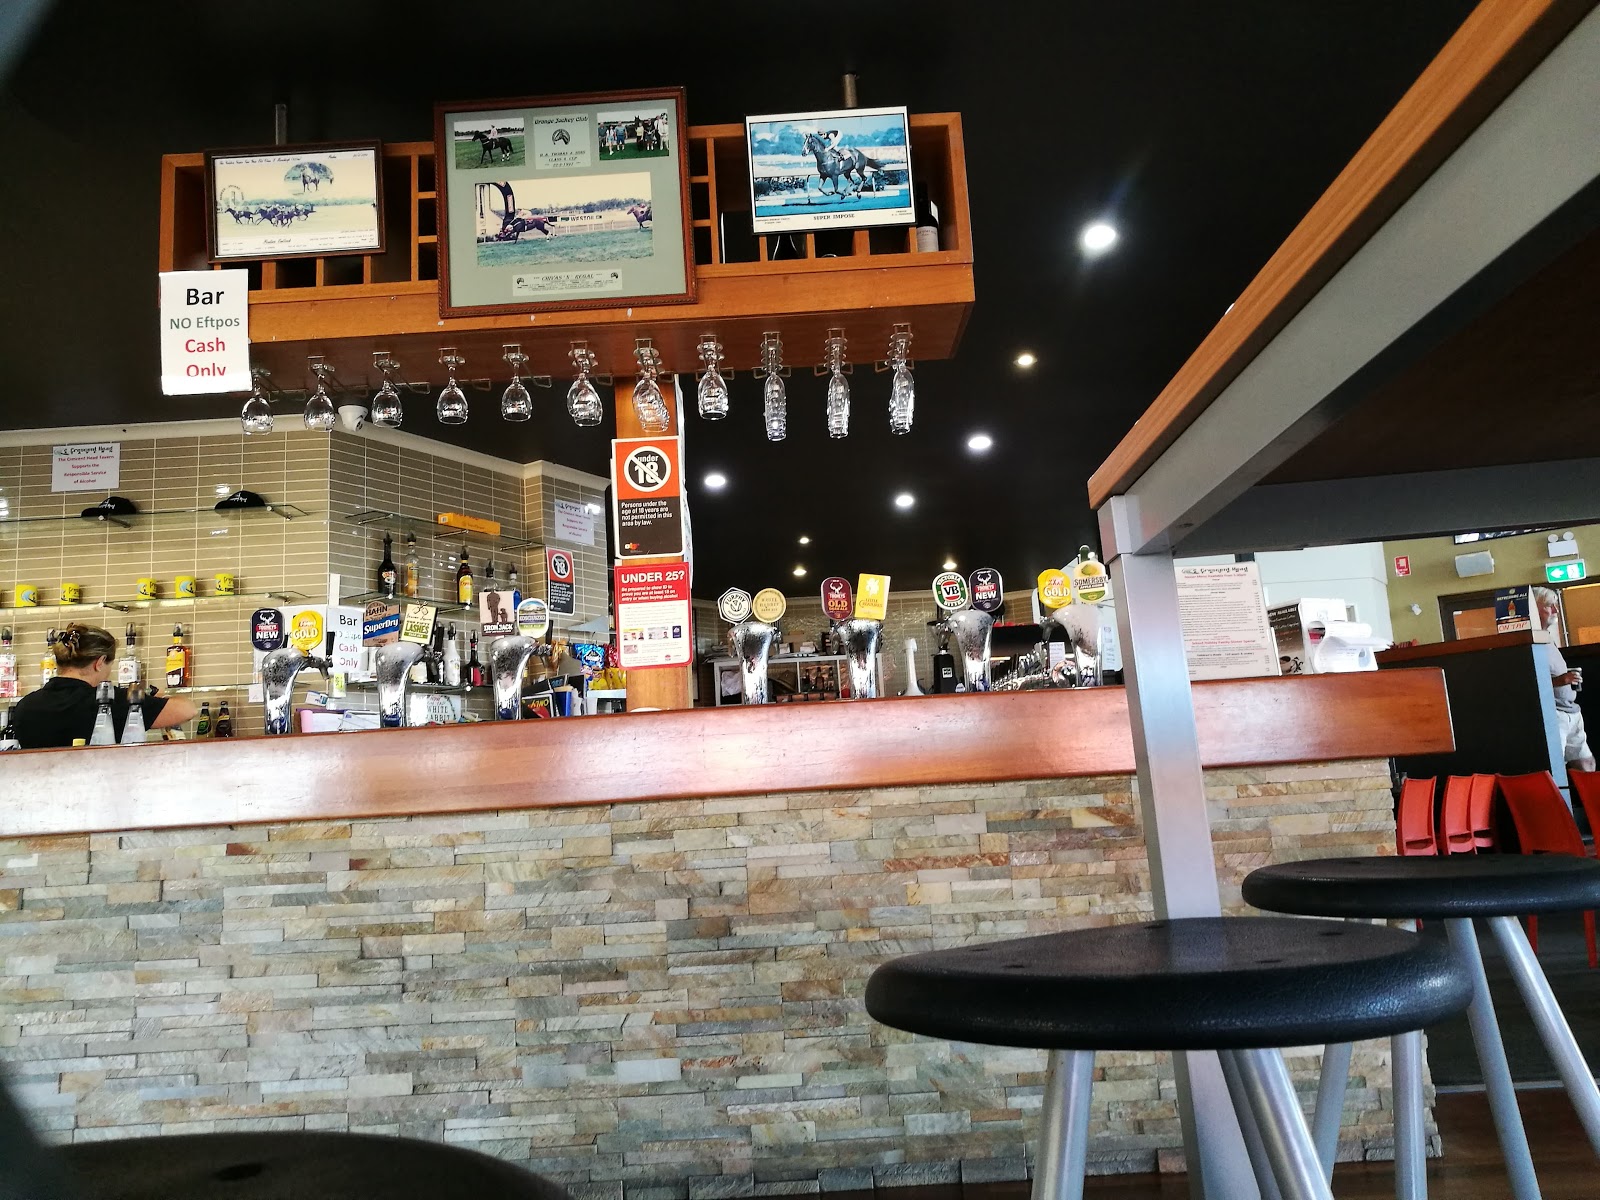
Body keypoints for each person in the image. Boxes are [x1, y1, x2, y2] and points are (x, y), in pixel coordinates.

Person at [9, 625, 198, 750]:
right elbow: (186, 709)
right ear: (99, 663)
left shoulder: (25, 706)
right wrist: (151, 701)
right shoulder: (109, 702)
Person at [1533, 587, 1594, 772]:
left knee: (1587, 764)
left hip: (1571, 709)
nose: (1555, 611)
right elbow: (1526, 681)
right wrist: (1559, 681)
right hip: (1553, 713)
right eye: (1549, 606)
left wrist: (1566, 677)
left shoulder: (1546, 638)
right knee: (1555, 769)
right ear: (1533, 609)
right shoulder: (1526, 641)